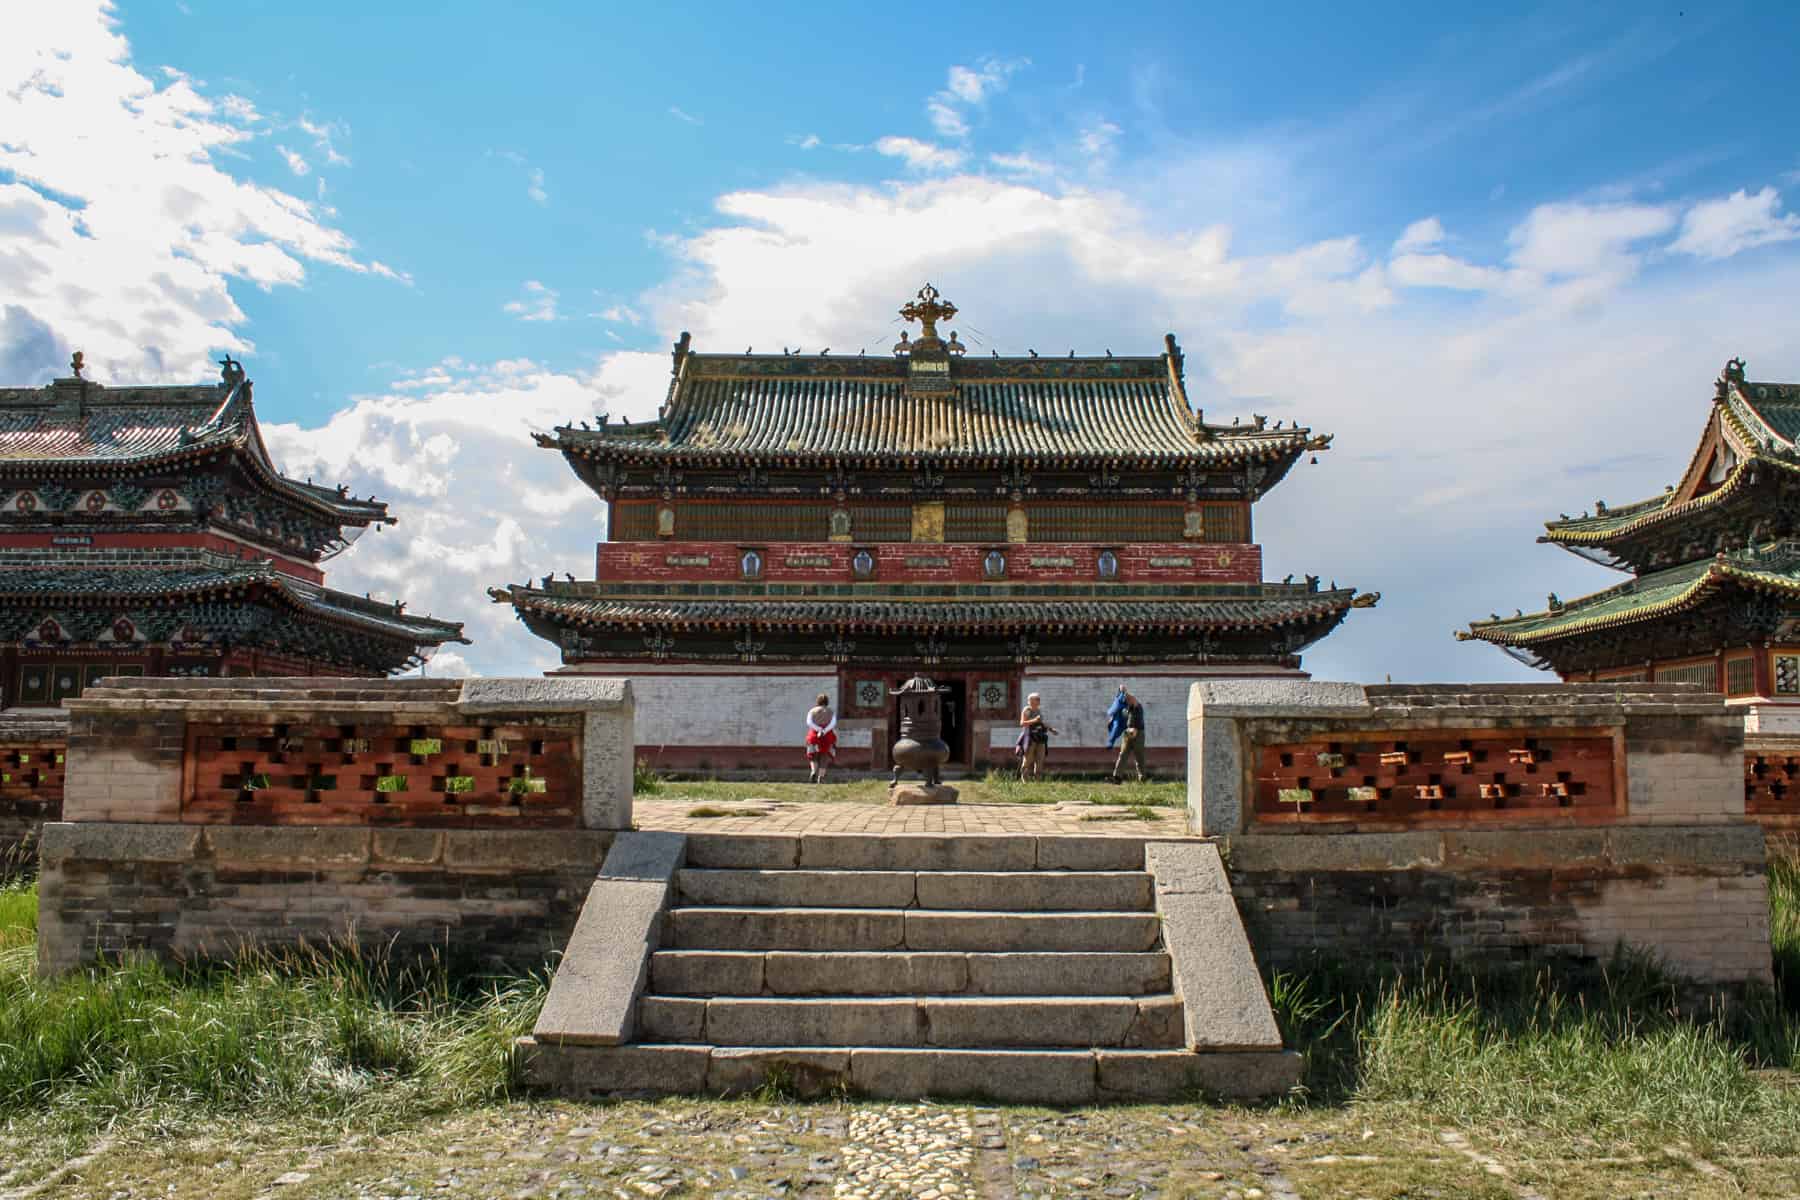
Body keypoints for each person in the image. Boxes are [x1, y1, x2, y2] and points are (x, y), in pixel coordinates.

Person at [1105, 684, 1147, 783]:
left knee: (1139, 757)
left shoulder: (1137, 706)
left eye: (1127, 700)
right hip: (1128, 733)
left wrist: (1124, 691)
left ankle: (1142, 778)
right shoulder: (1126, 708)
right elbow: (1119, 712)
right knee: (1122, 755)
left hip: (1138, 733)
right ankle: (1117, 777)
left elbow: (1130, 697)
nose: (1126, 701)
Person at [1016, 692, 1058, 781]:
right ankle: (1025, 780)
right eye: (1036, 699)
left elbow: (1041, 723)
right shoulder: (1027, 710)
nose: (1038, 701)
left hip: (1040, 737)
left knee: (1040, 759)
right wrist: (1034, 720)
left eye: (1038, 700)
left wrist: (1051, 729)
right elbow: (1022, 723)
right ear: (1030, 701)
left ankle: (1038, 780)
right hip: (1030, 737)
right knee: (1028, 759)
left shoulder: (1039, 710)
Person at [805, 692, 837, 783]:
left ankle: (813, 771)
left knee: (813, 755)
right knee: (824, 755)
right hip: (827, 736)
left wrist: (818, 729)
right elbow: (833, 723)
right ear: (827, 701)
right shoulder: (831, 711)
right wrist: (824, 730)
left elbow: (809, 722)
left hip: (814, 736)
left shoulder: (812, 711)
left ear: (818, 701)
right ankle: (821, 777)